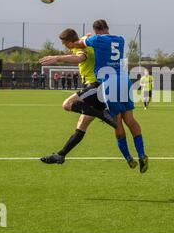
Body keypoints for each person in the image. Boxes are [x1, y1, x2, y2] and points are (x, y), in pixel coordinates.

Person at [39, 29, 133, 168]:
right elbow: (88, 36)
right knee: (81, 126)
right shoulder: (83, 42)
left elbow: (80, 58)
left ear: (71, 42)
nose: (65, 47)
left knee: (67, 104)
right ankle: (61, 155)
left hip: (96, 86)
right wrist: (87, 35)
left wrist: (57, 58)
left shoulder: (79, 48)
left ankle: (103, 114)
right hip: (102, 87)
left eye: (65, 44)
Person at [69, 20, 149, 173]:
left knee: (117, 121)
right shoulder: (120, 39)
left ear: (96, 30)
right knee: (130, 120)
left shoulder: (96, 39)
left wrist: (85, 37)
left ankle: (128, 158)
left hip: (109, 81)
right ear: (107, 28)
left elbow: (77, 44)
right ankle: (142, 154)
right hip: (124, 79)